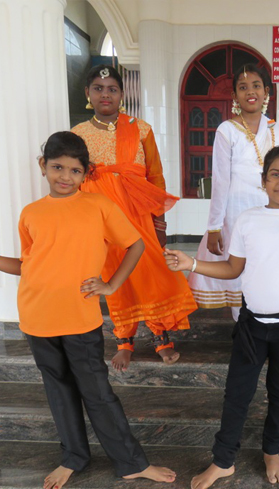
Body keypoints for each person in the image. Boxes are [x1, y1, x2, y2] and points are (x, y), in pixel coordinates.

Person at [0, 132, 176, 489]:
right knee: (58, 391)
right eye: (57, 167)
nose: (65, 176)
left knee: (97, 393)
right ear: (43, 166)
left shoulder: (98, 206)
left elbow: (135, 244)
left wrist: (110, 286)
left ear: (86, 173)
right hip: (36, 316)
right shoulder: (31, 213)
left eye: (75, 170)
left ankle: (131, 464)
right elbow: (29, 264)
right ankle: (73, 458)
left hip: (80, 320)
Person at [165, 145, 279, 489]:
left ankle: (272, 452)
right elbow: (234, 268)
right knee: (236, 393)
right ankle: (223, 460)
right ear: (263, 181)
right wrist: (192, 264)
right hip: (252, 325)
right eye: (275, 174)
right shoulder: (248, 219)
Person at [72, 65, 196, 371]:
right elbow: (72, 177)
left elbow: (156, 176)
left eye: (112, 89)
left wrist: (160, 222)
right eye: (98, 88)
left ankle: (161, 336)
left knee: (152, 274)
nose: (105, 94)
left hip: (139, 216)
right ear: (88, 93)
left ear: (122, 94)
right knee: (116, 278)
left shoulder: (140, 129)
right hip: (102, 220)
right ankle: (124, 340)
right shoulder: (77, 135)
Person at [189, 64, 279, 320]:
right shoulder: (226, 130)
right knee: (241, 267)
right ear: (234, 95)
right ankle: (245, 325)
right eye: (243, 87)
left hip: (275, 210)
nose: (250, 92)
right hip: (237, 211)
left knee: (278, 261)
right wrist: (214, 227)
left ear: (266, 91)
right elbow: (221, 181)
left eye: (256, 86)